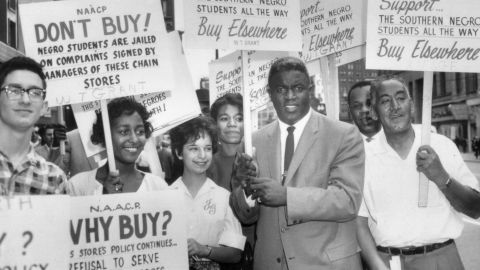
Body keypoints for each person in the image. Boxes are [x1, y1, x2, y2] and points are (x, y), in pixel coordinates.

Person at [230, 56, 365, 270]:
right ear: (270, 94)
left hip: (326, 264)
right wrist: (245, 188)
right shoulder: (252, 142)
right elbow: (246, 217)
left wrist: (286, 196)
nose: (290, 96)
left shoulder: (343, 135)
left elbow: (347, 201)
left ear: (309, 90)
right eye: (281, 90)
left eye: (298, 88)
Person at [357, 76, 480, 270]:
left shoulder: (442, 145)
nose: (395, 106)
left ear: (412, 105)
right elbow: (359, 222)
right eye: (385, 101)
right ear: (373, 111)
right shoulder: (362, 156)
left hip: (441, 260)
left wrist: (442, 178)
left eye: (401, 98)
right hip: (387, 261)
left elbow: (475, 208)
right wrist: (377, 265)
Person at [169, 116, 245, 269]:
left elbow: (235, 253)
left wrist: (204, 250)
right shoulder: (165, 196)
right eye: (194, 148)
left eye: (208, 148)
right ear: (178, 153)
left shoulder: (224, 197)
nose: (202, 155)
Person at [66, 97, 167, 195]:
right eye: (124, 132)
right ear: (105, 135)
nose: (134, 139)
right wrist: (105, 199)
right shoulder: (77, 187)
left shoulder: (158, 187)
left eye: (140, 131)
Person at [0, 56, 66, 195]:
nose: (25, 100)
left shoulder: (54, 179)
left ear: (44, 107)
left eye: (35, 93)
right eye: (14, 91)